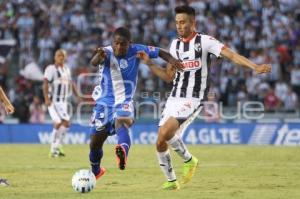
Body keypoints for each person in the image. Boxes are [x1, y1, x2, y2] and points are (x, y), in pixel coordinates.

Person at [137, 5, 271, 190]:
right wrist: (149, 63)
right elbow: (169, 77)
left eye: (183, 22)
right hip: (174, 97)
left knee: (165, 133)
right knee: (160, 141)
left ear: (193, 22)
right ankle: (173, 180)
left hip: (194, 98)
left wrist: (254, 66)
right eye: (177, 23)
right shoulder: (174, 45)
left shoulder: (206, 41)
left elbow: (231, 55)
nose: (179, 26)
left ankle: (189, 161)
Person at [89, 27, 182, 180]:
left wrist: (173, 61)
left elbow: (161, 52)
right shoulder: (105, 51)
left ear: (129, 44)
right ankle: (96, 170)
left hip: (124, 100)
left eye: (123, 44)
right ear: (113, 43)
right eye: (116, 43)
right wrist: (98, 56)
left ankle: (122, 152)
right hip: (104, 103)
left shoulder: (137, 50)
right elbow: (93, 62)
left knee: (123, 122)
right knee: (95, 143)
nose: (119, 47)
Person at [43, 49, 81, 157]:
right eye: (59, 55)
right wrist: (46, 98)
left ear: (65, 57)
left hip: (63, 102)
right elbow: (45, 83)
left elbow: (71, 83)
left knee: (66, 123)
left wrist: (77, 95)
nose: (61, 57)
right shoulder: (51, 69)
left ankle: (57, 146)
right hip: (53, 101)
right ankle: (53, 148)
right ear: (55, 57)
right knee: (59, 122)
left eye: (63, 56)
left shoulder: (66, 70)